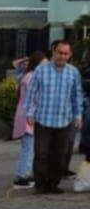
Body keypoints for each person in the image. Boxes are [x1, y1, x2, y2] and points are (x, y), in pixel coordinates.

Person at [23, 40, 85, 195]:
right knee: (41, 154)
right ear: (53, 52)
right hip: (43, 119)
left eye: (65, 54)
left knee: (60, 155)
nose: (62, 56)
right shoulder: (41, 71)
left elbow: (77, 95)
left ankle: (53, 183)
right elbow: (31, 93)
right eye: (59, 53)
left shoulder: (73, 72)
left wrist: (78, 116)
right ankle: (41, 184)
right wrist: (29, 113)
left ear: (69, 55)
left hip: (64, 120)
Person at [11, 52, 46, 189]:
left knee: (29, 147)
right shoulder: (31, 77)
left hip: (25, 115)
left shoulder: (26, 76)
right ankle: (22, 176)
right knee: (29, 148)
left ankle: (24, 173)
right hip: (28, 116)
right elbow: (37, 98)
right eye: (43, 64)